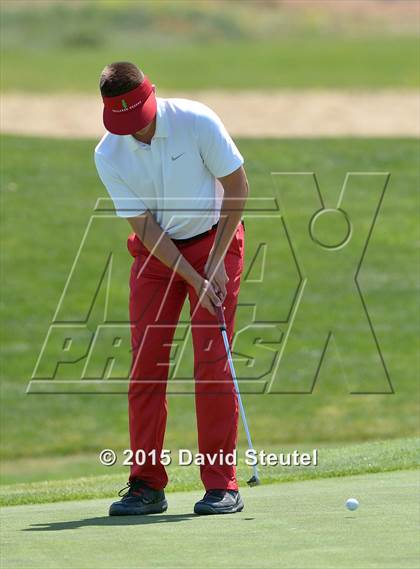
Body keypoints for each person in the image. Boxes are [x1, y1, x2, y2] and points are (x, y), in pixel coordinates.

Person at [94, 61, 248, 516]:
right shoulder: (108, 154)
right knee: (146, 364)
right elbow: (145, 226)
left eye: (138, 120)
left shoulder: (196, 120)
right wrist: (190, 276)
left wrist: (214, 265)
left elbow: (238, 187)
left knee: (212, 363)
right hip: (156, 255)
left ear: (152, 94)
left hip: (215, 241)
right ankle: (146, 484)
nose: (135, 134)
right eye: (124, 124)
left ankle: (222, 484)